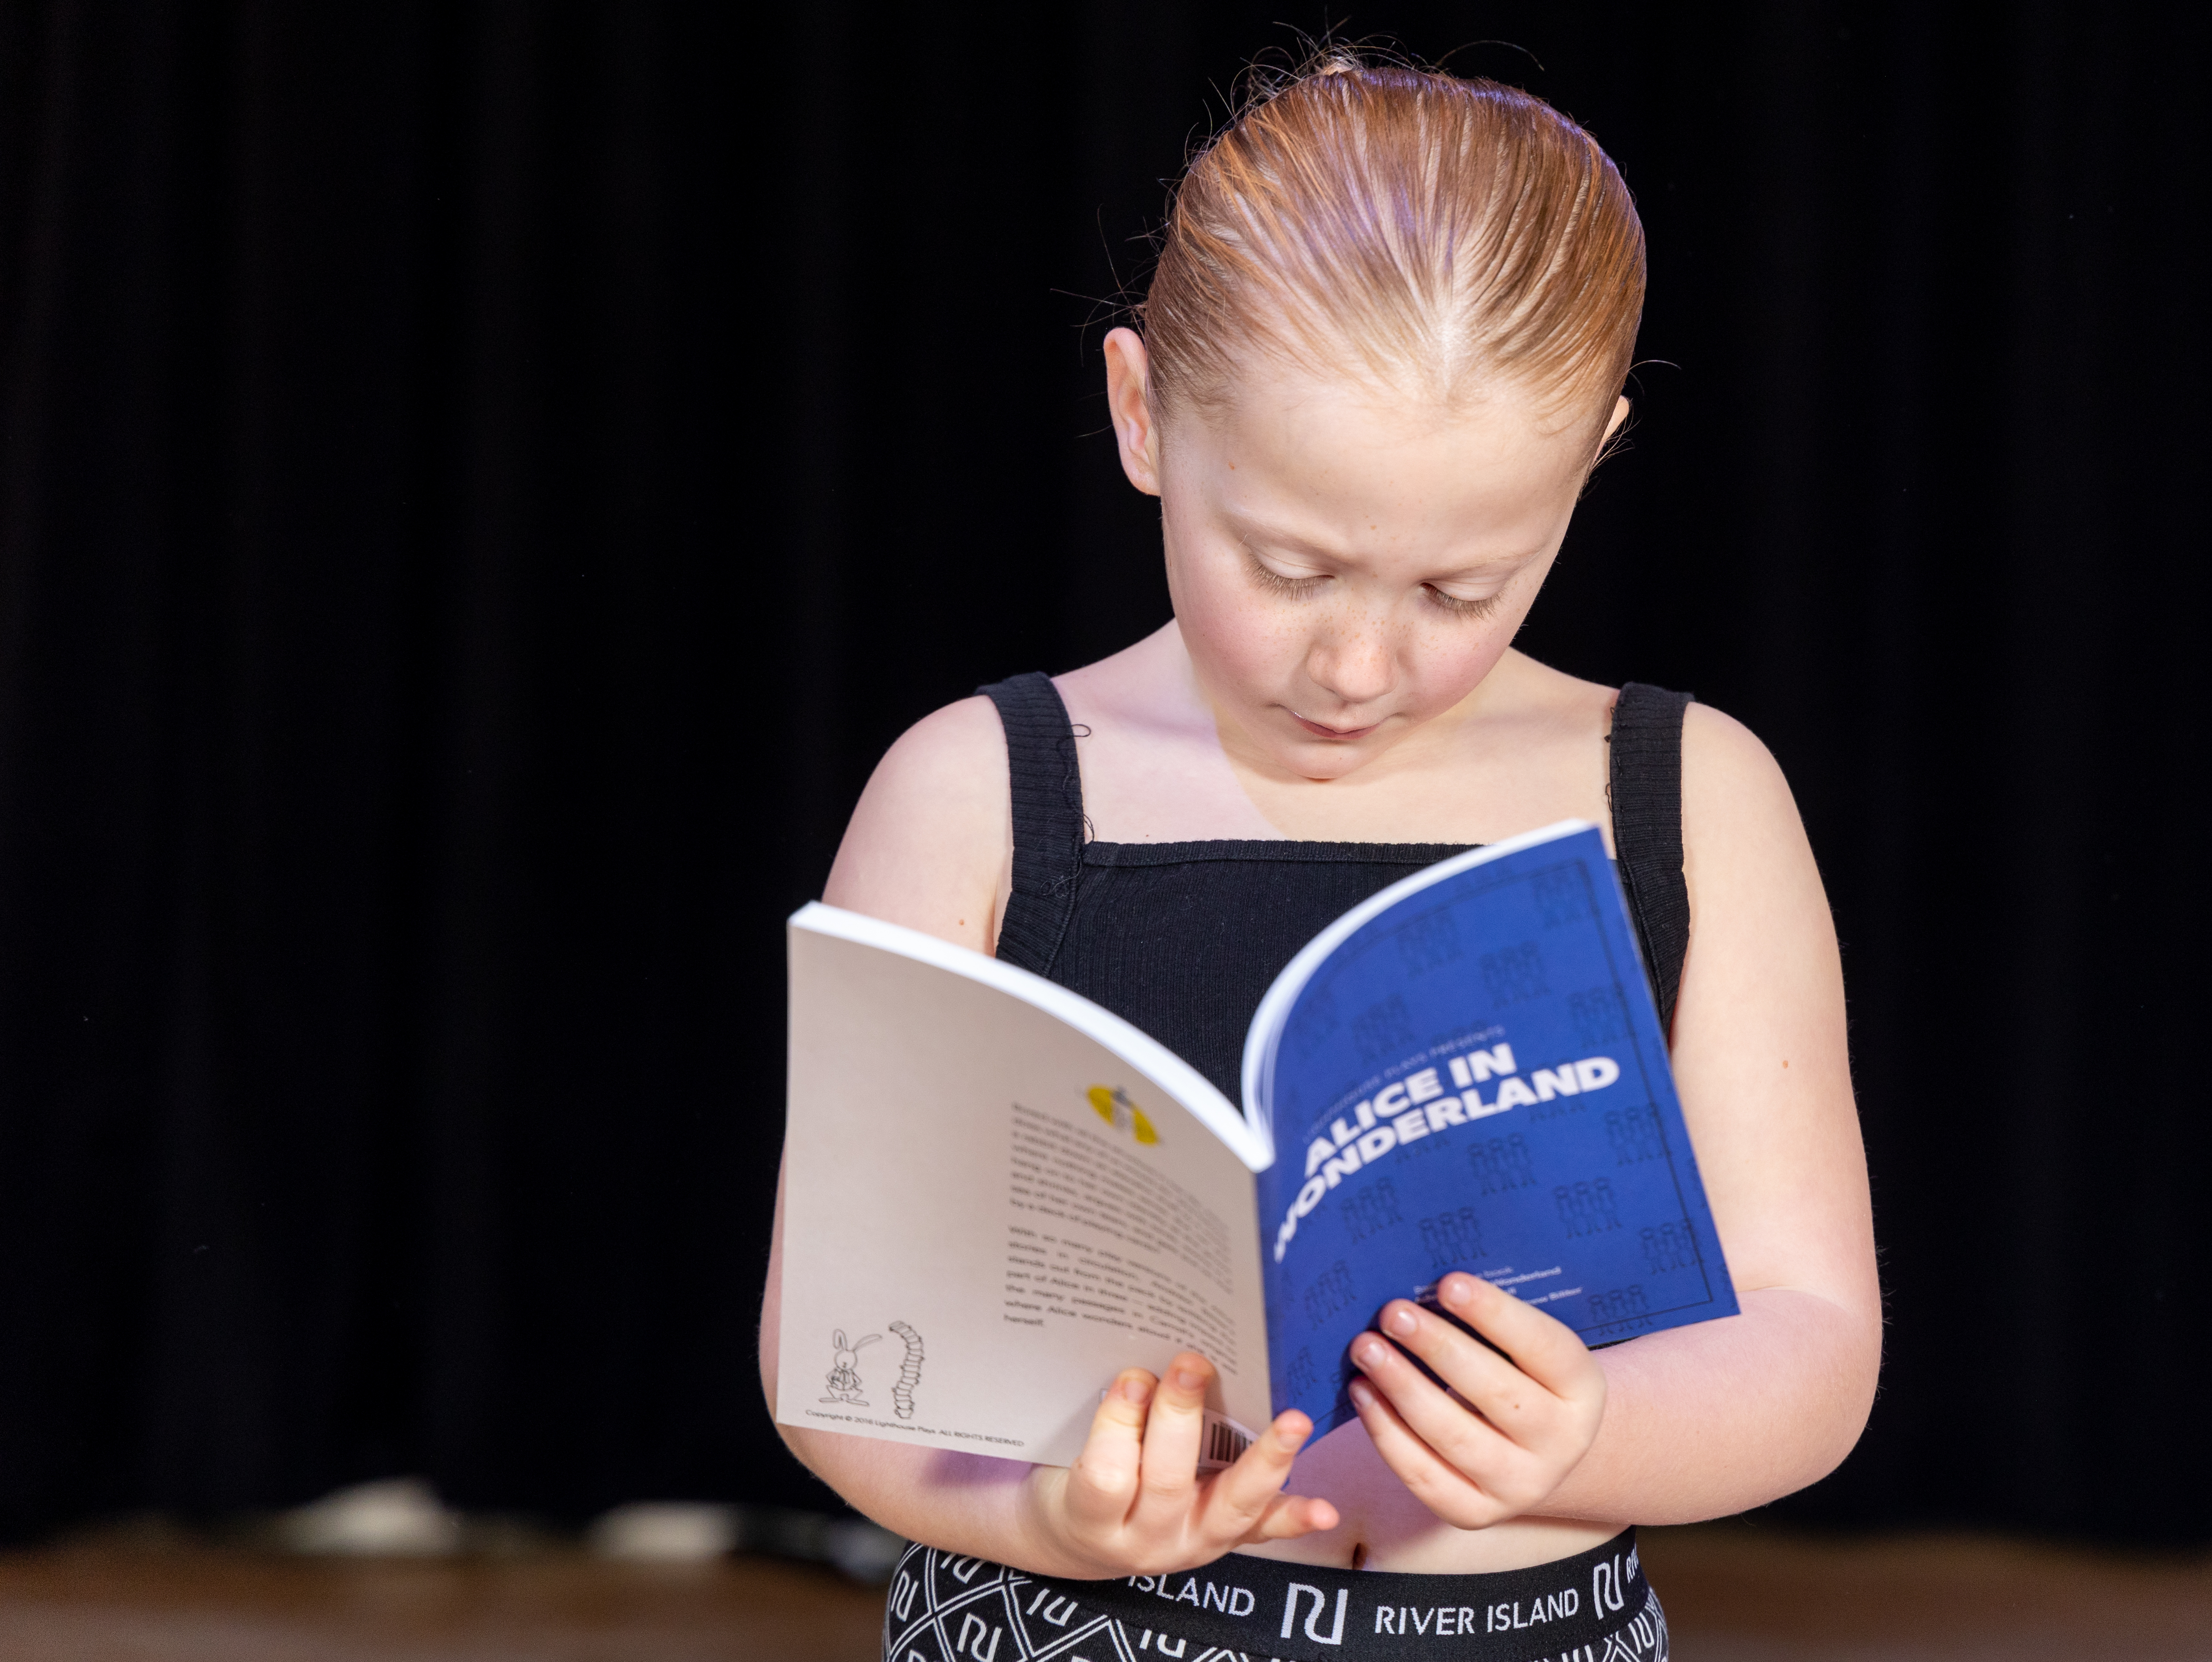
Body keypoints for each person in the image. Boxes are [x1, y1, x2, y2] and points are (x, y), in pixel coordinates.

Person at [759, 54, 1879, 1662]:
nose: (1357, 664)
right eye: (1287, 566)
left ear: (1591, 466)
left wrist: (1586, 1437)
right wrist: (1051, 1520)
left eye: (1460, 589)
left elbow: (1814, 1340)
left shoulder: (1695, 796)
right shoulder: (978, 792)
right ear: (1144, 415)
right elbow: (837, 1352)